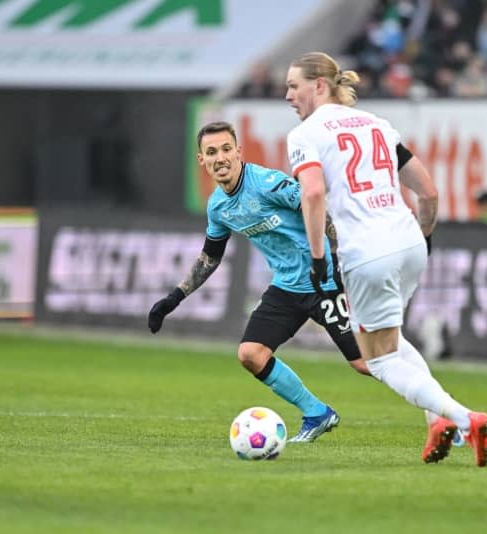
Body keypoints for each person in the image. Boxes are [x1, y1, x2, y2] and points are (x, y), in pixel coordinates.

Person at [285, 51, 487, 467]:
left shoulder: (305, 134)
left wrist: (317, 257)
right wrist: (426, 237)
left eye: (293, 86)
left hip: (367, 252)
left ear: (319, 86)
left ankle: (464, 419)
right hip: (408, 241)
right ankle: (438, 421)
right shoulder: (378, 124)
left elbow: (312, 194)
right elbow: (429, 193)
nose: (288, 95)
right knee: (392, 342)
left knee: (377, 358)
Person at [147, 121, 365, 443]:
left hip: (325, 280)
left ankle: (443, 412)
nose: (220, 158)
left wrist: (332, 259)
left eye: (225, 149)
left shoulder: (267, 183)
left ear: (238, 151)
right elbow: (210, 257)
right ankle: (316, 412)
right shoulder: (218, 207)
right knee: (251, 353)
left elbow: (316, 206)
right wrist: (174, 298)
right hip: (288, 287)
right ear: (201, 160)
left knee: (364, 362)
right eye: (211, 152)